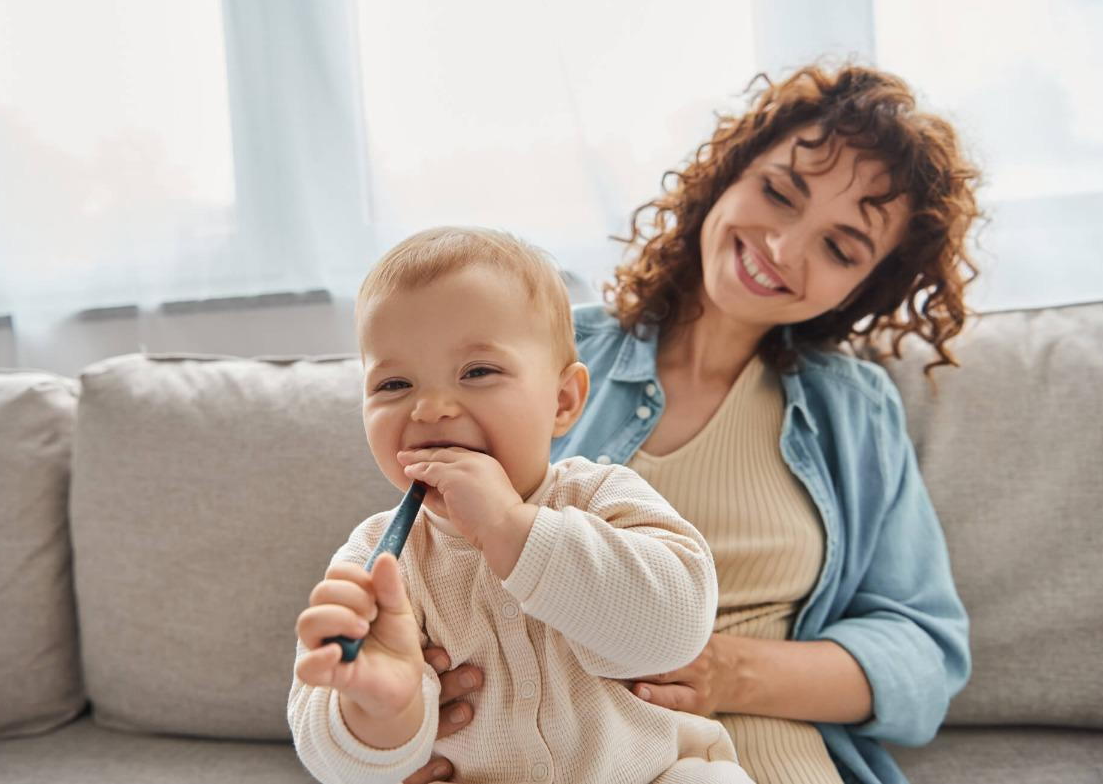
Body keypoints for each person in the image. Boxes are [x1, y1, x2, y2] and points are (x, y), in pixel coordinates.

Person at [403, 65, 977, 784]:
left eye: (840, 247)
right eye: (778, 192)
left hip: (776, 759)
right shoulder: (539, 356)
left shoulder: (854, 410)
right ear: (728, 175)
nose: (784, 247)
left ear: (865, 286)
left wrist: (729, 672)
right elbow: (425, 544)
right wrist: (410, 708)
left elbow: (923, 653)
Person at [288, 227, 755, 784]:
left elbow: (677, 628)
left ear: (563, 401)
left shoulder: (602, 495)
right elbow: (332, 758)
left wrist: (513, 528)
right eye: (393, 384)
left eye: (478, 372)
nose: (431, 408)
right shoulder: (377, 561)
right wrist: (379, 709)